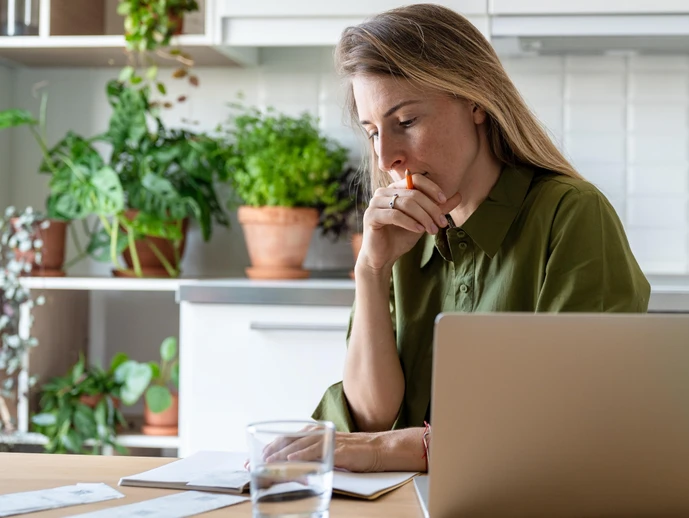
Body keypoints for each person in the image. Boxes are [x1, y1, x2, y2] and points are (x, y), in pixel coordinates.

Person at [261, 3, 650, 473]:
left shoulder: (570, 214)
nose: (387, 158)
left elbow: (572, 421)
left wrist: (388, 450)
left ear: (476, 101)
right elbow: (368, 418)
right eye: (372, 132)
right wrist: (371, 270)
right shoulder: (400, 235)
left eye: (405, 122)